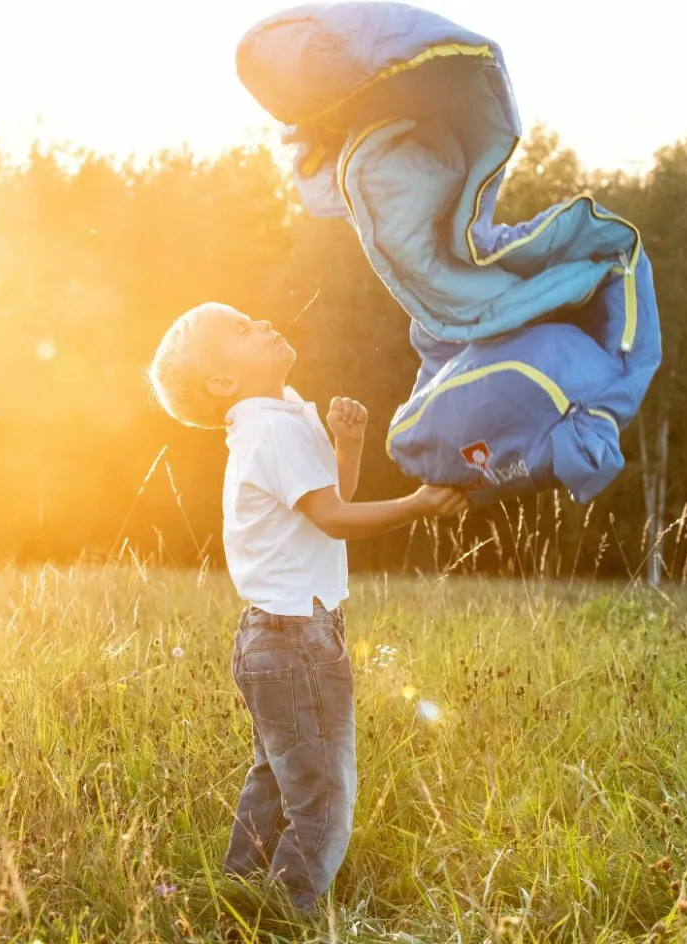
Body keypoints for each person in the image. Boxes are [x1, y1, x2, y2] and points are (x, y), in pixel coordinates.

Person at [148, 301, 467, 911]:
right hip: (295, 640)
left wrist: (349, 445)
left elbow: (326, 503)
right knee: (323, 796)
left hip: (279, 636)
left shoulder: (284, 413)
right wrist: (418, 504)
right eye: (242, 329)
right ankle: (286, 914)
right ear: (222, 382)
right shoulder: (270, 426)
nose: (265, 323)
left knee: (276, 780)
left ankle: (240, 896)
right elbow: (335, 518)